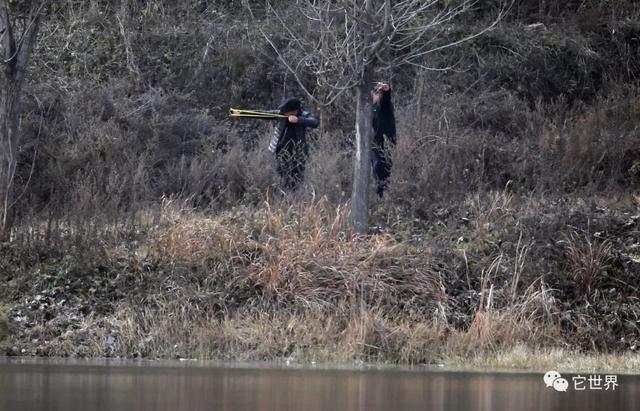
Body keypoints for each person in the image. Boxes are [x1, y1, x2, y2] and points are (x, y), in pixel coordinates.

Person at [267, 98, 319, 190]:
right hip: (282, 153)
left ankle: (295, 198)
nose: (284, 113)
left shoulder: (304, 115)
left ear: (294, 112)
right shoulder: (280, 114)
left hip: (299, 154)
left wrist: (298, 120)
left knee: (297, 180)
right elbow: (263, 114)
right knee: (282, 178)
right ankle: (283, 197)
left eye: (287, 112)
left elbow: (315, 122)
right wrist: (242, 114)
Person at [371, 82, 397, 197]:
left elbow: (385, 100)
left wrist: (386, 91)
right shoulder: (371, 108)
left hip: (387, 142)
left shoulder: (383, 105)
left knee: (385, 168)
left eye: (376, 93)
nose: (373, 96)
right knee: (377, 167)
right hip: (376, 143)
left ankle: (385, 193)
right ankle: (380, 194)